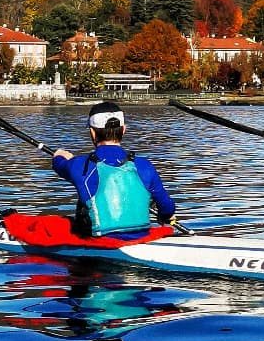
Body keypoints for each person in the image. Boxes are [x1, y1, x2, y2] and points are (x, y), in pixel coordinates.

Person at [51, 100, 177, 239]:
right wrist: (165, 215)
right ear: (124, 130)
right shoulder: (144, 165)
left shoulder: (79, 165)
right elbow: (167, 207)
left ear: (92, 133)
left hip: (99, 238)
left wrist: (59, 156)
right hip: (141, 236)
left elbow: (59, 165)